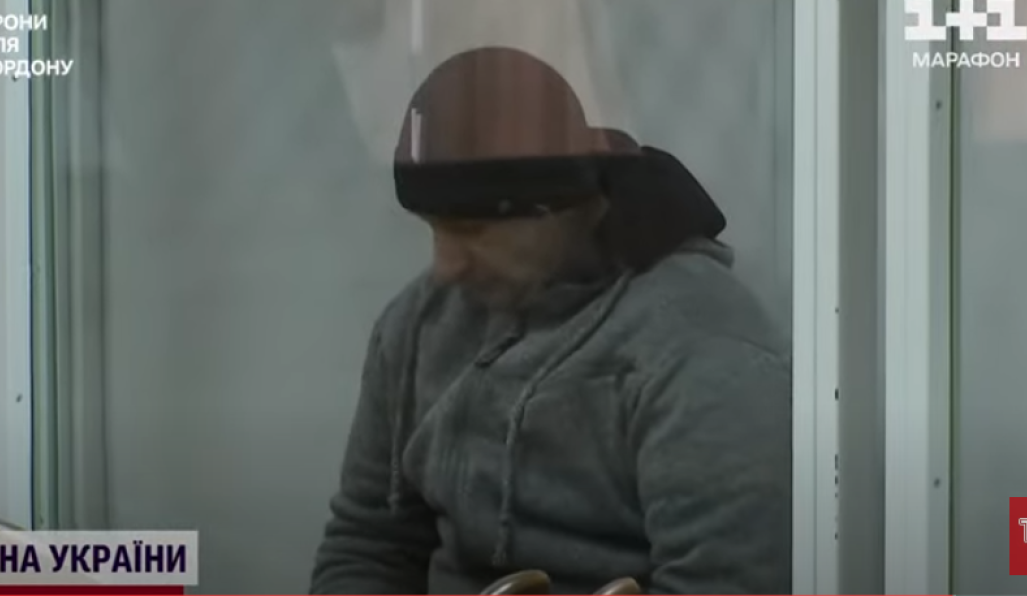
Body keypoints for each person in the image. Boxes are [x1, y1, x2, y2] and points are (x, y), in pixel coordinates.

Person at [310, 47, 791, 595]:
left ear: (561, 208)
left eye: (472, 231)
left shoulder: (701, 348)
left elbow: (729, 583)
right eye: (432, 226)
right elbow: (368, 543)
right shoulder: (418, 325)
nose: (444, 266)